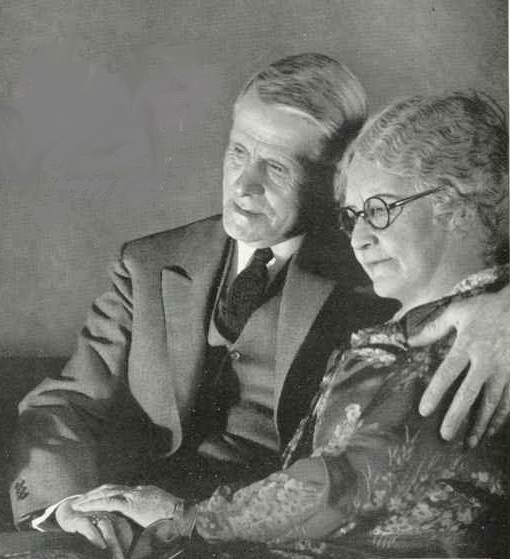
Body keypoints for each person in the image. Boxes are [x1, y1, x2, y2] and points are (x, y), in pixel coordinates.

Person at [9, 54, 510, 555]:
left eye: (276, 166)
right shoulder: (148, 262)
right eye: (238, 152)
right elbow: (66, 403)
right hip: (122, 529)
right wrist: (63, 506)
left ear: (331, 177)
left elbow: (478, 232)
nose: (244, 185)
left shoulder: (382, 264)